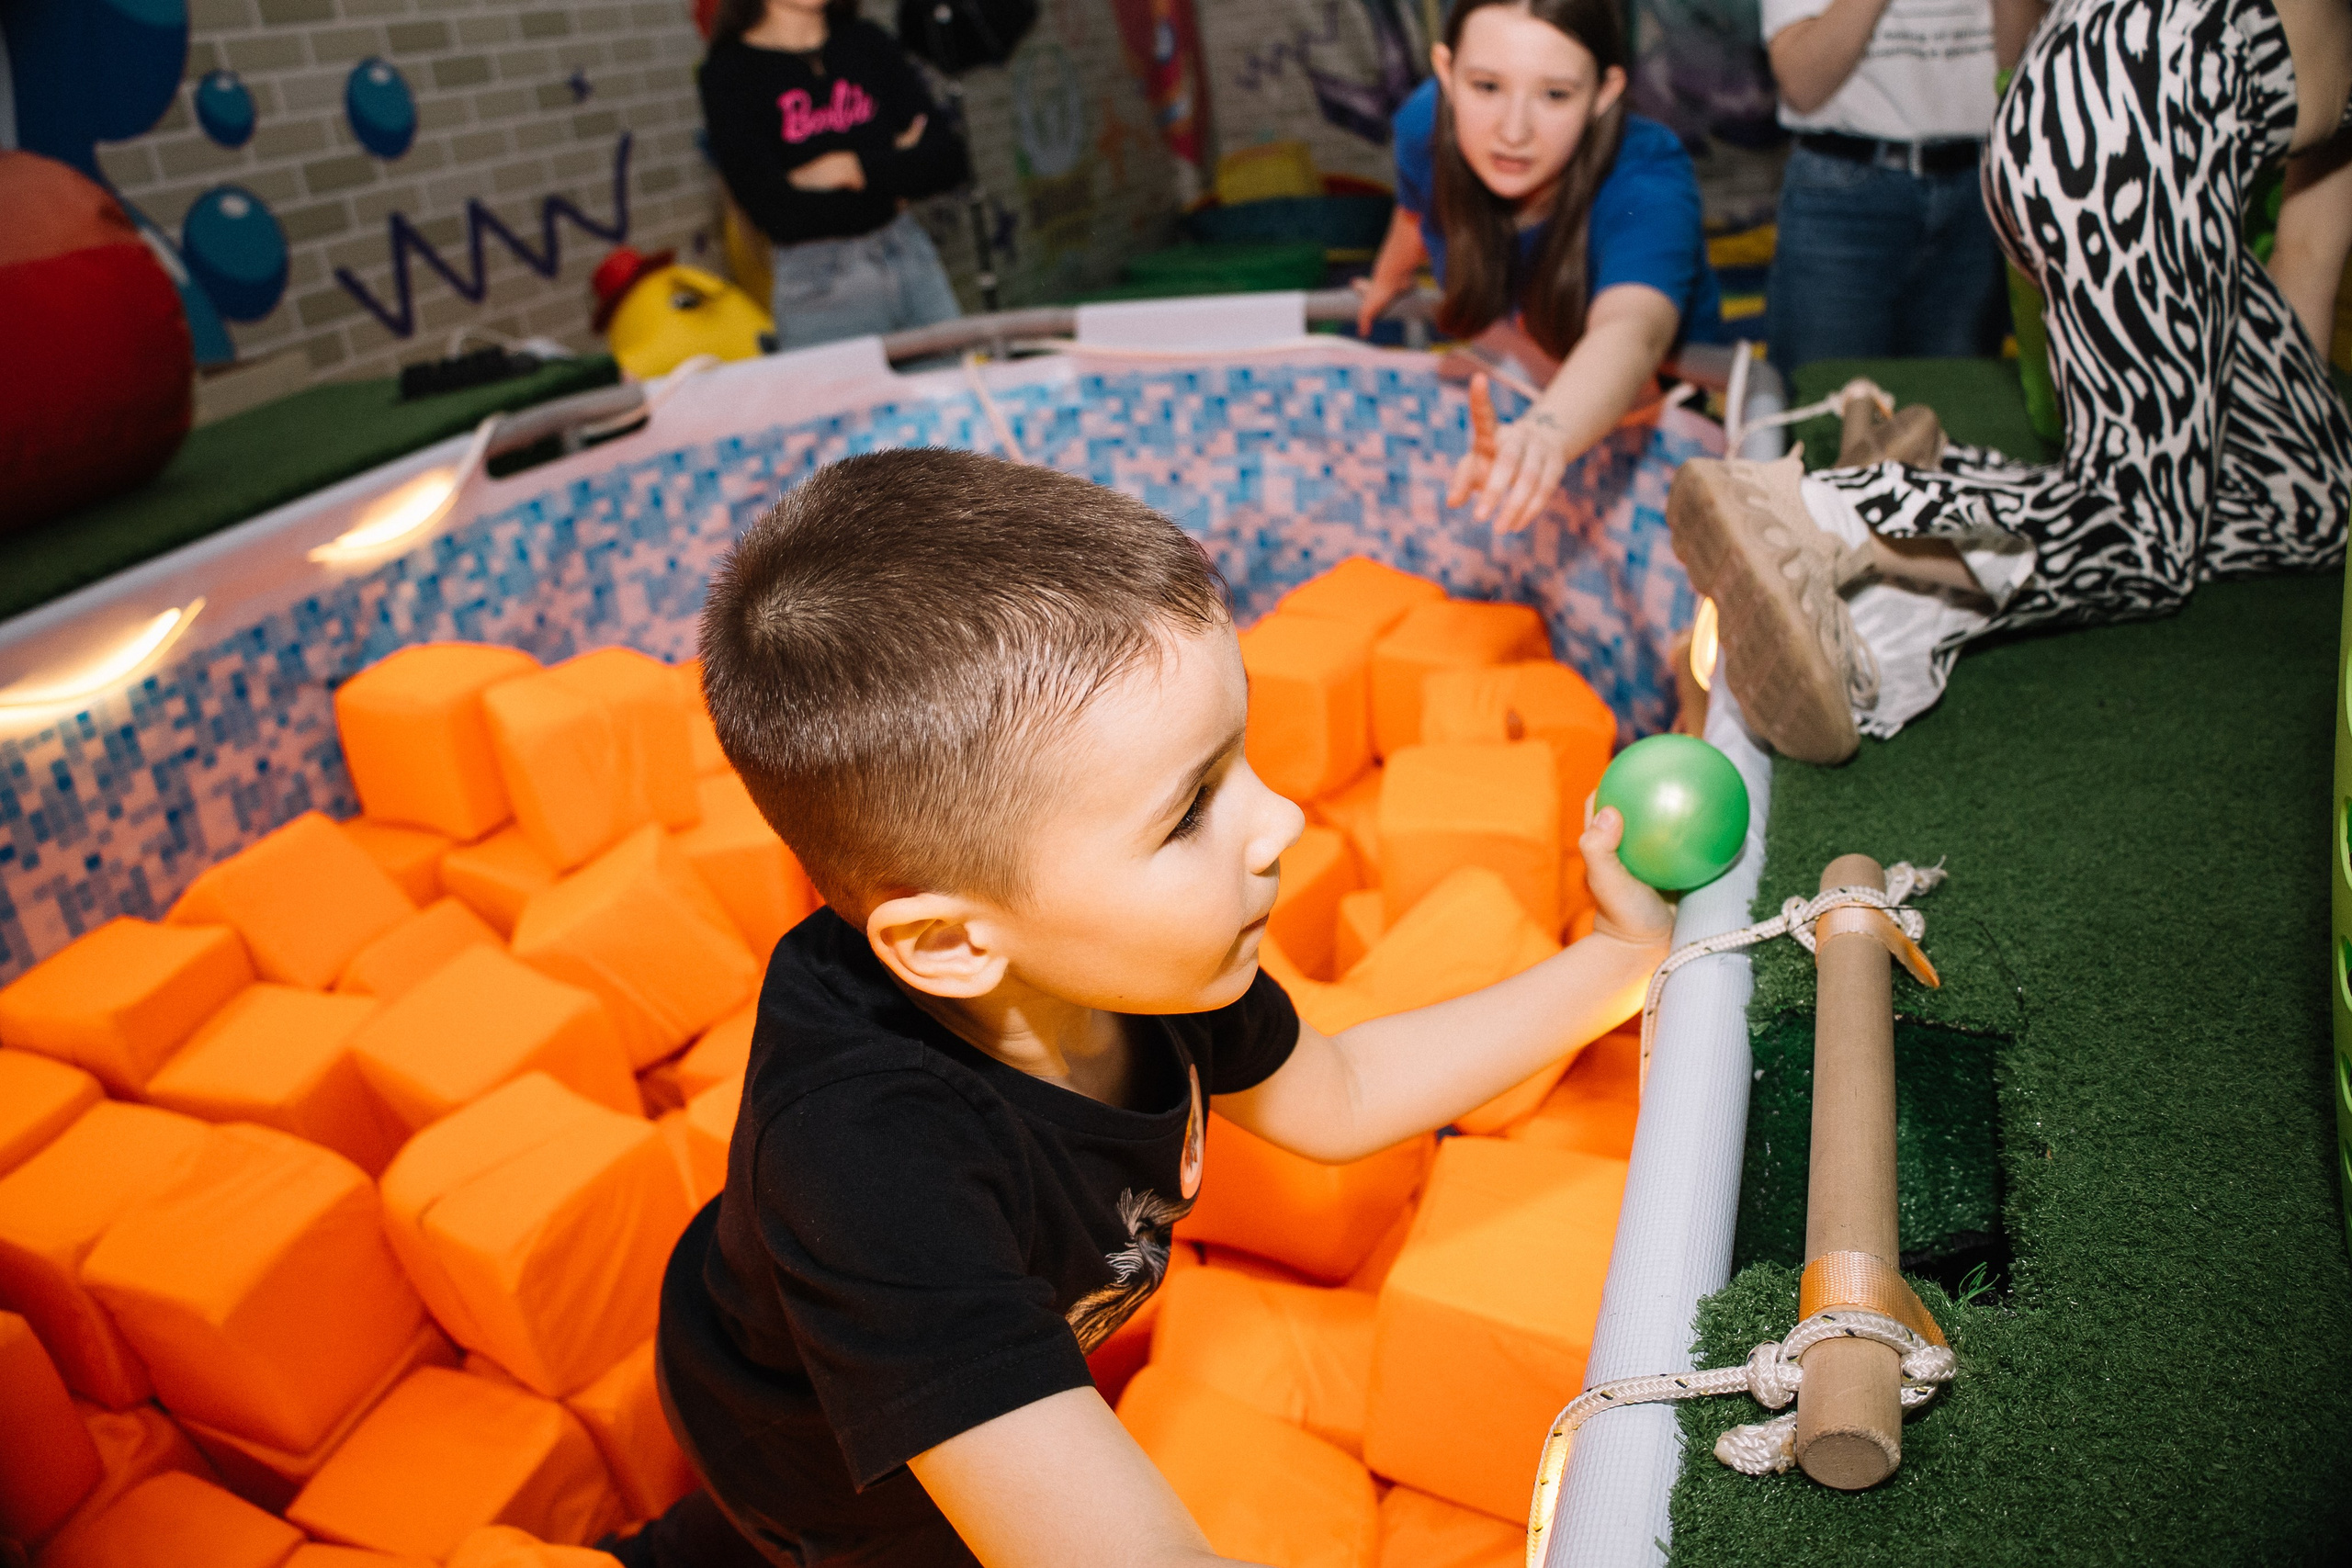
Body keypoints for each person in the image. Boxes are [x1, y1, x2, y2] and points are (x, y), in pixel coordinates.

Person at [633, 448, 1672, 1567]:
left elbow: (1346, 1093)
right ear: (951, 940)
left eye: (1242, 758)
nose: (1281, 824)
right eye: (1187, 813)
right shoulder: (870, 1161)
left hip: (955, 1328)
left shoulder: (1140, 960)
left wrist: (1616, 961)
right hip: (817, 1462)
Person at [1669, 0, 2352, 766]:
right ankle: (1833, 513)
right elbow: (2303, 244)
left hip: (2088, 101)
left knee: (2312, 507)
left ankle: (1910, 516)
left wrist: (2286, 431)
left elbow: (2307, 252)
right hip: (2136, 113)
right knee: (2145, 539)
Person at [1354, 0, 1724, 536]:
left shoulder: (1648, 177)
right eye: (1486, 87)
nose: (1513, 130)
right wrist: (1389, 277)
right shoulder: (1423, 122)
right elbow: (1416, 206)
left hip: (1645, 407)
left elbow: (1631, 330)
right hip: (1524, 375)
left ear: (1604, 92)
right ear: (1446, 72)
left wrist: (1547, 432)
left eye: (1554, 94)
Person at [697, 0, 968, 350]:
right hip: (818, 288)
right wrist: (894, 168)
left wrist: (853, 169)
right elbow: (775, 212)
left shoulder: (867, 42)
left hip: (910, 259)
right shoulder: (729, 72)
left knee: (953, 400)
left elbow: (948, 161)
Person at [1758, 0, 2010, 375]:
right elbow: (1802, 85)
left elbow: (2025, 70)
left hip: (1981, 184)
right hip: (1844, 184)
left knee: (1960, 409)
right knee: (1826, 403)